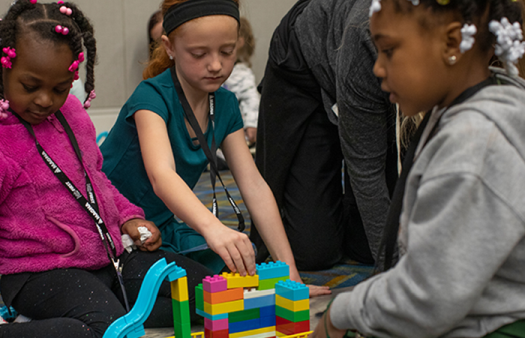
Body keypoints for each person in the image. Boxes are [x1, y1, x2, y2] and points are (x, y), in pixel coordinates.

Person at [0, 1, 213, 338]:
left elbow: (95, 181)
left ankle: (105, 313)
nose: (45, 101)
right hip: (38, 275)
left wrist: (127, 216)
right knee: (104, 332)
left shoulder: (73, 117)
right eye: (31, 86)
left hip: (108, 260)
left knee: (206, 295)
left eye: (60, 89)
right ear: (0, 66)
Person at [311, 0, 525, 337]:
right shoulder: (480, 105)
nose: (378, 68)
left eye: (389, 50)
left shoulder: (473, 145)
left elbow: (427, 299)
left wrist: (339, 313)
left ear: (452, 44)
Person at [101, 0, 329, 297]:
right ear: (169, 47)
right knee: (201, 292)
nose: (216, 65)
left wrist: (292, 277)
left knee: (239, 270)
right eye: (199, 53)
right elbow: (162, 176)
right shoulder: (151, 96)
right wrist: (214, 228)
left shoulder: (224, 103)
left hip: (161, 229)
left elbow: (254, 186)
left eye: (227, 51)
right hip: (113, 228)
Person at [251, 0, 399, 271]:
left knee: (367, 247)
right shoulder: (364, 37)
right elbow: (367, 169)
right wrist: (396, 274)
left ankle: (344, 210)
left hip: (358, 77)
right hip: (305, 68)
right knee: (313, 253)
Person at [222, 17, 259, 145]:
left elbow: (251, 99)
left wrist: (251, 124)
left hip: (237, 133)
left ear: (239, 42)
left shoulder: (243, 74)